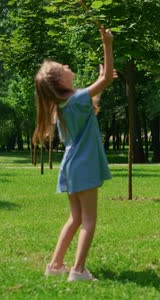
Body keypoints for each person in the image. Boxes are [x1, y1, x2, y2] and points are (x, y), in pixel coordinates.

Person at [32, 27, 117, 282]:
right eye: (63, 67)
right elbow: (106, 82)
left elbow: (91, 105)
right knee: (89, 220)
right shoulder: (76, 100)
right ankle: (78, 271)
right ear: (59, 81)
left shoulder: (62, 106)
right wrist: (108, 44)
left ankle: (55, 265)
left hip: (69, 167)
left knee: (75, 218)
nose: (68, 66)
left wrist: (100, 82)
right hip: (84, 166)